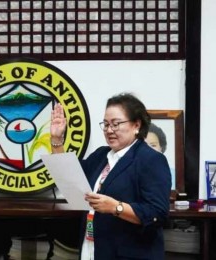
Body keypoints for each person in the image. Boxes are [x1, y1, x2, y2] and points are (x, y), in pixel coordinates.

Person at [50, 93, 171, 259]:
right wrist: (57, 138)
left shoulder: (151, 160)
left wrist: (116, 207)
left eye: (116, 124)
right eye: (106, 124)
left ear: (136, 125)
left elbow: (157, 214)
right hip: (93, 247)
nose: (109, 130)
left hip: (130, 253)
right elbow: (69, 178)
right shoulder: (101, 155)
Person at [145, 122, 176, 189]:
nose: (148, 149)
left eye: (153, 145)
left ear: (161, 148)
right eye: (143, 145)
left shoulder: (173, 174)